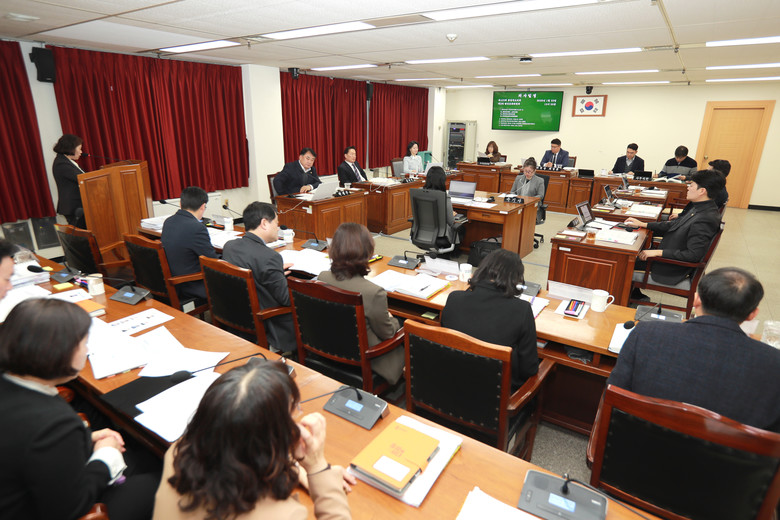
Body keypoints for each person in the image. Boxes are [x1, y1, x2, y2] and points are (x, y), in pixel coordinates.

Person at [0, 299, 159, 520]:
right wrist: (106, 457)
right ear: (59, 353)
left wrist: (84, 439)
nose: (87, 351)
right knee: (165, 479)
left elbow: (28, 446)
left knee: (144, 458)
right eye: (84, 344)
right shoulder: (53, 423)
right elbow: (72, 506)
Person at [154, 362, 352, 520]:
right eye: (293, 411)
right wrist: (317, 466)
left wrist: (292, 465)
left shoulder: (177, 453)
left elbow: (236, 443)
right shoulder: (285, 515)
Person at [609, 267, 780, 433]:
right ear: (752, 314)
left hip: (635, 444)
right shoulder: (773, 363)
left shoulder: (647, 333)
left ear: (696, 300)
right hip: (725, 452)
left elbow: (613, 394)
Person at [318, 223, 403, 384]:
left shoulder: (322, 278)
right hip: (369, 360)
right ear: (367, 252)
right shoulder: (374, 293)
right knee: (410, 328)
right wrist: (394, 320)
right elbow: (387, 333)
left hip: (328, 349)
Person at [441, 249, 539, 389]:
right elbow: (529, 369)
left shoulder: (454, 298)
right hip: (496, 393)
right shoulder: (522, 310)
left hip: (450, 384)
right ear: (516, 279)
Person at [625, 170, 724, 290]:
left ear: (702, 191)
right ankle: (633, 294)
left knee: (623, 261)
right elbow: (674, 224)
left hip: (670, 267)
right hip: (666, 257)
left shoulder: (705, 218)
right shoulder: (701, 207)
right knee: (631, 253)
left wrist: (658, 252)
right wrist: (643, 224)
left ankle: (628, 295)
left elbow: (693, 255)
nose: (688, 188)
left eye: (691, 185)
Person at [222, 202, 296, 353]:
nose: (278, 227)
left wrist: (275, 273)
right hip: (269, 323)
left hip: (235, 316)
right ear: (264, 223)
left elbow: (254, 269)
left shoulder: (230, 246)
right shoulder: (270, 257)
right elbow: (286, 299)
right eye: (276, 223)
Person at [161, 186, 217, 302]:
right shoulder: (197, 228)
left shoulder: (169, 221)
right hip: (190, 284)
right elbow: (212, 261)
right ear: (203, 206)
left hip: (172, 278)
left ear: (180, 203)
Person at [52, 134, 86, 228]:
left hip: (79, 206)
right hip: (74, 208)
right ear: (71, 148)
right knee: (82, 234)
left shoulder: (67, 161)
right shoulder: (61, 164)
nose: (81, 152)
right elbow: (81, 178)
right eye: (79, 149)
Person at [422, 166, 461, 246]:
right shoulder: (444, 197)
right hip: (440, 236)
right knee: (461, 229)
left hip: (421, 233)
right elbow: (451, 222)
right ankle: (451, 252)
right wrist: (451, 214)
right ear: (442, 180)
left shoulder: (420, 193)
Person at [510, 157, 546, 224]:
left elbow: (540, 195)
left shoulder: (540, 181)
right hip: (518, 205)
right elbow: (512, 191)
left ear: (534, 171)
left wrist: (529, 200)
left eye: (529, 172)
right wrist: (515, 197)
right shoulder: (519, 178)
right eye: (525, 171)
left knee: (523, 219)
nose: (527, 173)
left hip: (531, 206)